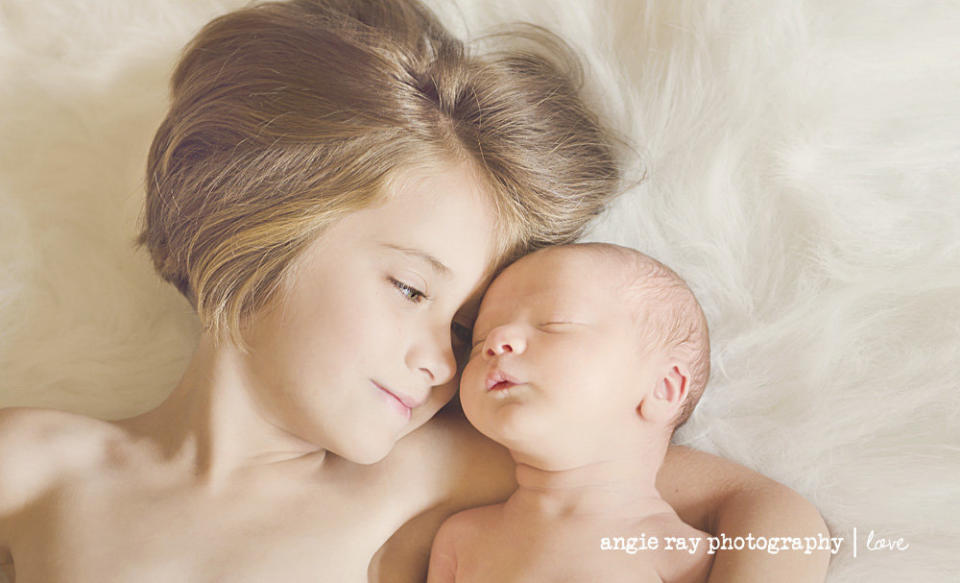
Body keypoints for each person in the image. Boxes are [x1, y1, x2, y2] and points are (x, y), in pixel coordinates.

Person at [0, 1, 829, 581]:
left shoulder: (440, 470)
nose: (443, 360)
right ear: (257, 217)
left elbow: (767, 509)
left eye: (465, 329)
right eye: (408, 288)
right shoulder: (37, 464)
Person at [428, 243, 714, 582]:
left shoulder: (684, 557)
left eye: (553, 323)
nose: (496, 341)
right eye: (479, 342)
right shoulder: (461, 538)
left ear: (663, 388)